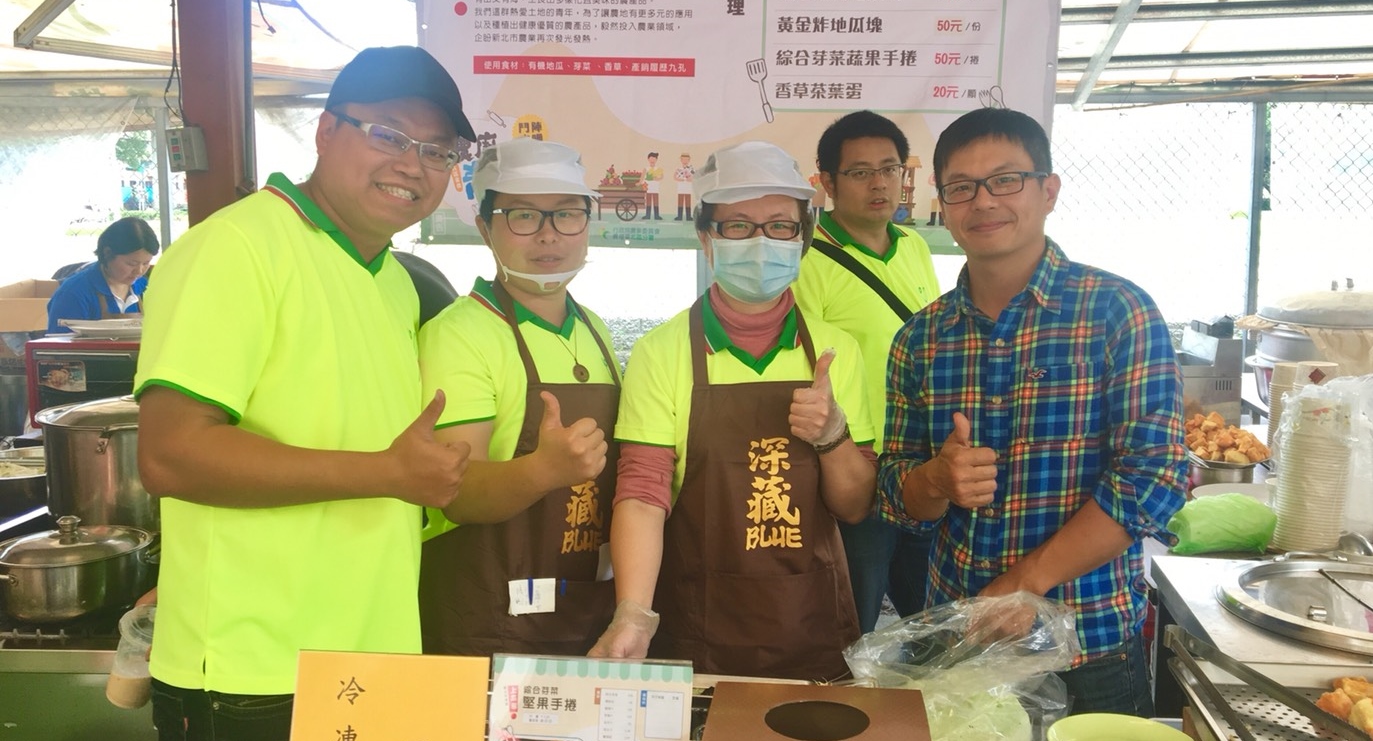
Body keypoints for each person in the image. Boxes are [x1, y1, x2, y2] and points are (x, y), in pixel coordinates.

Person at [133, 46, 476, 740]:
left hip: (368, 661)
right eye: (388, 135)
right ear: (325, 132)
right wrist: (386, 473)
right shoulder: (236, 247)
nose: (413, 165)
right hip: (254, 673)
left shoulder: (393, 282)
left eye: (438, 151)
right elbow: (171, 455)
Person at [876, 107, 1186, 716]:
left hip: (1089, 645)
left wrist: (1024, 583)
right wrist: (934, 480)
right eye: (961, 187)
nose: (983, 201)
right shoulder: (921, 338)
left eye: (1006, 179)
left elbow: (1155, 478)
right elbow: (895, 494)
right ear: (944, 205)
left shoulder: (1116, 312)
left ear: (1049, 191)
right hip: (962, 643)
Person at [590, 141, 875, 681]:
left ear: (804, 237)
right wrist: (633, 614)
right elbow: (644, 494)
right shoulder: (662, 351)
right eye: (739, 226)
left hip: (810, 618)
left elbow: (855, 505)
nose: (761, 242)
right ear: (706, 238)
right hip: (699, 619)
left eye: (780, 226)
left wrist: (833, 435)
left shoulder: (838, 350)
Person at [416, 135, 620, 657]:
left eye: (568, 215)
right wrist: (543, 470)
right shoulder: (459, 334)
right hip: (485, 618)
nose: (549, 235)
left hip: (582, 607)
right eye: (523, 216)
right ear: (485, 227)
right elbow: (457, 493)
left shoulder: (594, 329)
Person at [793, 110, 941, 633]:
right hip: (857, 466)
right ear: (828, 183)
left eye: (890, 169)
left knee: (932, 619)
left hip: (920, 465)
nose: (879, 184)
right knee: (853, 619)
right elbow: (803, 373)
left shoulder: (914, 246)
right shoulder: (806, 260)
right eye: (859, 172)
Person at [46, 216, 159, 333]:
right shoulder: (74, 293)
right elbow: (61, 342)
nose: (139, 271)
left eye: (146, 263)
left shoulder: (145, 288)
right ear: (107, 253)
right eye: (131, 264)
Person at [673, 152, 694, 220]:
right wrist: (680, 179)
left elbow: (694, 177)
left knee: (688, 202)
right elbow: (675, 177)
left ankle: (688, 216)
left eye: (686, 159)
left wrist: (690, 179)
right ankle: (679, 216)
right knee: (680, 201)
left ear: (689, 160)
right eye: (683, 159)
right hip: (681, 187)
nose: (685, 161)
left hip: (688, 187)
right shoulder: (678, 169)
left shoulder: (691, 169)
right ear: (681, 160)